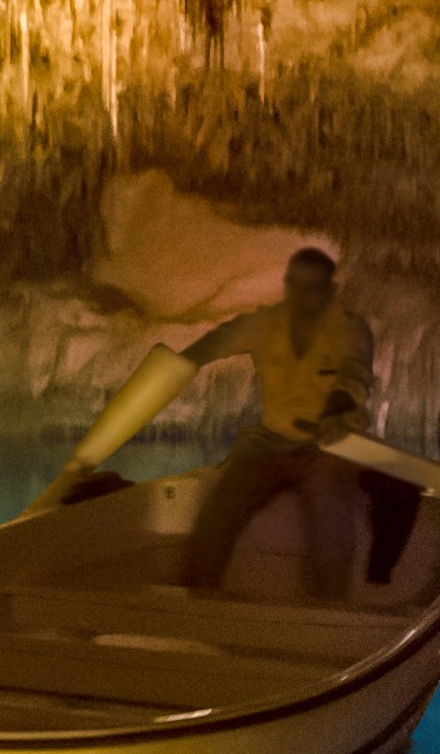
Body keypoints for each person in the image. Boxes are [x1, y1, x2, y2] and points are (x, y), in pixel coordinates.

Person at [148, 246, 375, 596]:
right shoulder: (264, 324)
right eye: (296, 285)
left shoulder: (350, 329)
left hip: (328, 445)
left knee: (330, 508)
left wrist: (331, 409)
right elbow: (213, 344)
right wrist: (179, 363)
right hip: (273, 443)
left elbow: (353, 380)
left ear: (330, 290)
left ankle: (331, 606)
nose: (303, 295)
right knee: (221, 505)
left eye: (313, 287)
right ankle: (199, 594)